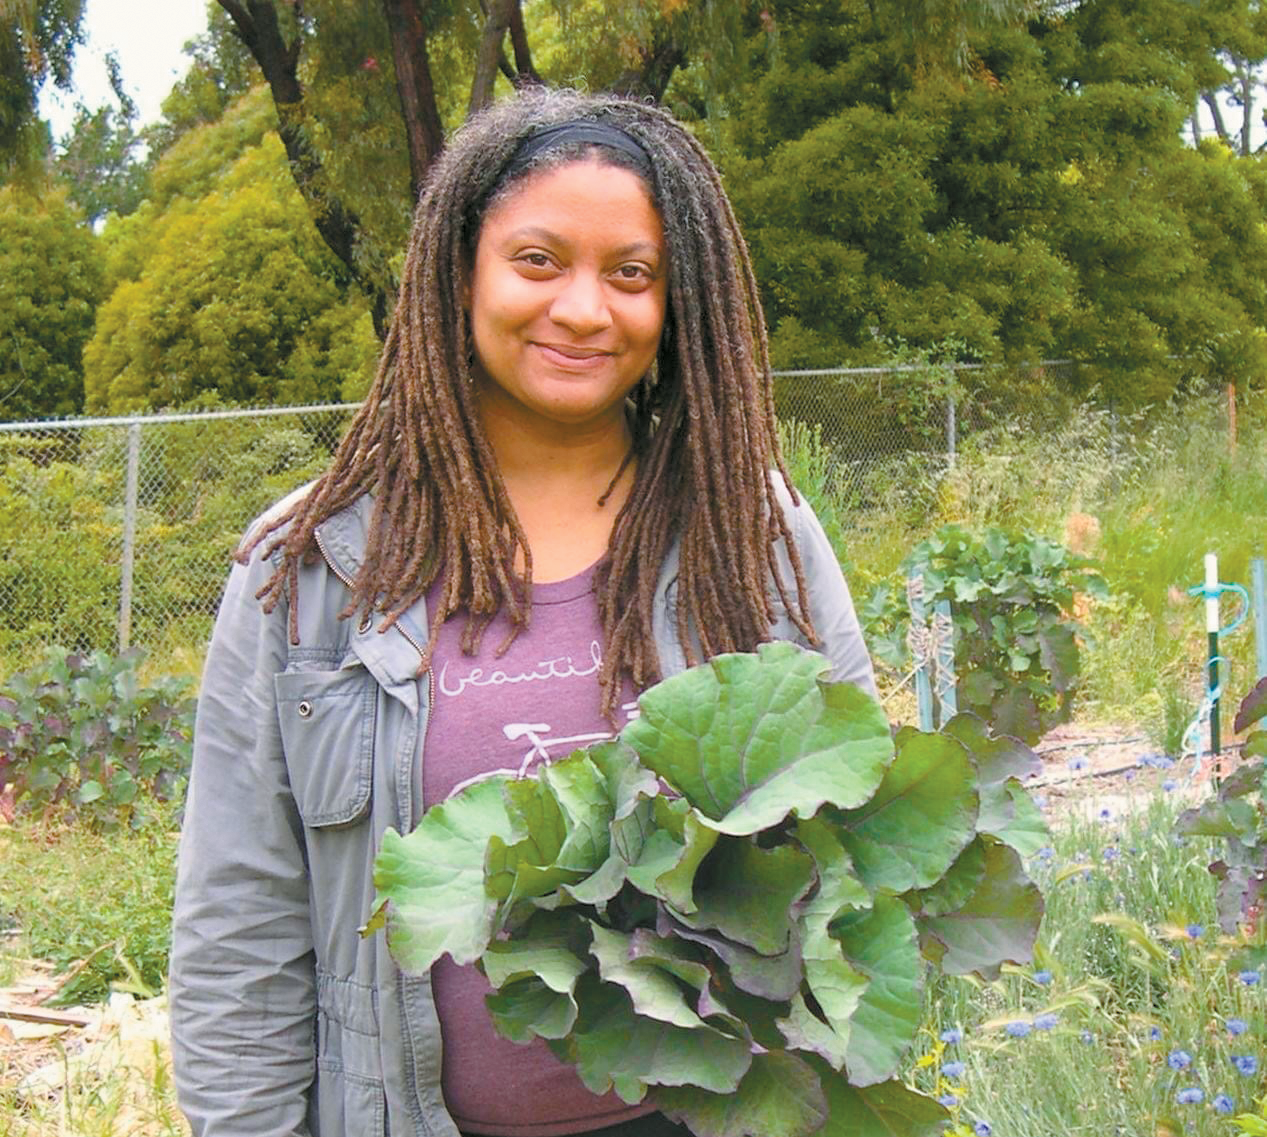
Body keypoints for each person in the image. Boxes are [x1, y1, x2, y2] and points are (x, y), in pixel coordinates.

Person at [168, 87, 876, 1137]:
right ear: (461, 273)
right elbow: (240, 931)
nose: (585, 310)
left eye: (630, 274)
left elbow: (852, 863)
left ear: (675, 300)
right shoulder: (311, 568)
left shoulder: (752, 534)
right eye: (538, 260)